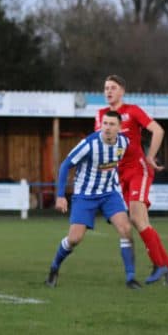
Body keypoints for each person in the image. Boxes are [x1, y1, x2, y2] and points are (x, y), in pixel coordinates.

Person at [95, 75, 168, 285]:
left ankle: (159, 264)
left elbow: (157, 130)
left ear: (122, 91)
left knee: (136, 217)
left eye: (113, 88)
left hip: (137, 170)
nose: (108, 92)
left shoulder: (132, 111)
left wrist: (150, 156)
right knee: (141, 221)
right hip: (119, 174)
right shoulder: (100, 115)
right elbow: (101, 144)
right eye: (106, 88)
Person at [45, 111, 141, 289]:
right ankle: (54, 267)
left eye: (112, 124)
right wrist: (60, 196)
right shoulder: (90, 144)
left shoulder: (124, 142)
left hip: (110, 193)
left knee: (126, 229)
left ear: (119, 128)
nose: (107, 127)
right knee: (74, 239)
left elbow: (133, 161)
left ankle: (130, 278)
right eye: (105, 123)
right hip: (85, 195)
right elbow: (66, 164)